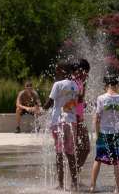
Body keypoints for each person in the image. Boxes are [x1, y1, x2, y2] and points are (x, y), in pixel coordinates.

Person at [43, 61, 79, 190]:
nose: (56, 73)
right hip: (72, 121)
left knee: (59, 153)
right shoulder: (76, 85)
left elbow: (50, 102)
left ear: (62, 71)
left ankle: (61, 184)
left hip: (58, 122)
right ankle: (74, 183)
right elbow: (75, 104)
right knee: (70, 152)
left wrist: (41, 109)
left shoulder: (57, 84)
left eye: (57, 70)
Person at [89, 73, 119, 193]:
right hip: (117, 133)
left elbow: (97, 118)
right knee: (117, 161)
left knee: (98, 159)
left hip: (104, 133)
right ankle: (117, 188)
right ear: (116, 85)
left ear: (106, 86)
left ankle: (92, 186)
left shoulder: (101, 98)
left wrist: (97, 134)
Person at [73, 59, 91, 173]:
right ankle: (73, 176)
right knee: (84, 148)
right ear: (80, 70)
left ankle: (74, 174)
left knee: (84, 148)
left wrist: (83, 104)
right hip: (75, 119)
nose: (87, 75)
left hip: (79, 119)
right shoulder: (73, 82)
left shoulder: (81, 82)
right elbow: (68, 103)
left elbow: (79, 101)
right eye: (86, 72)